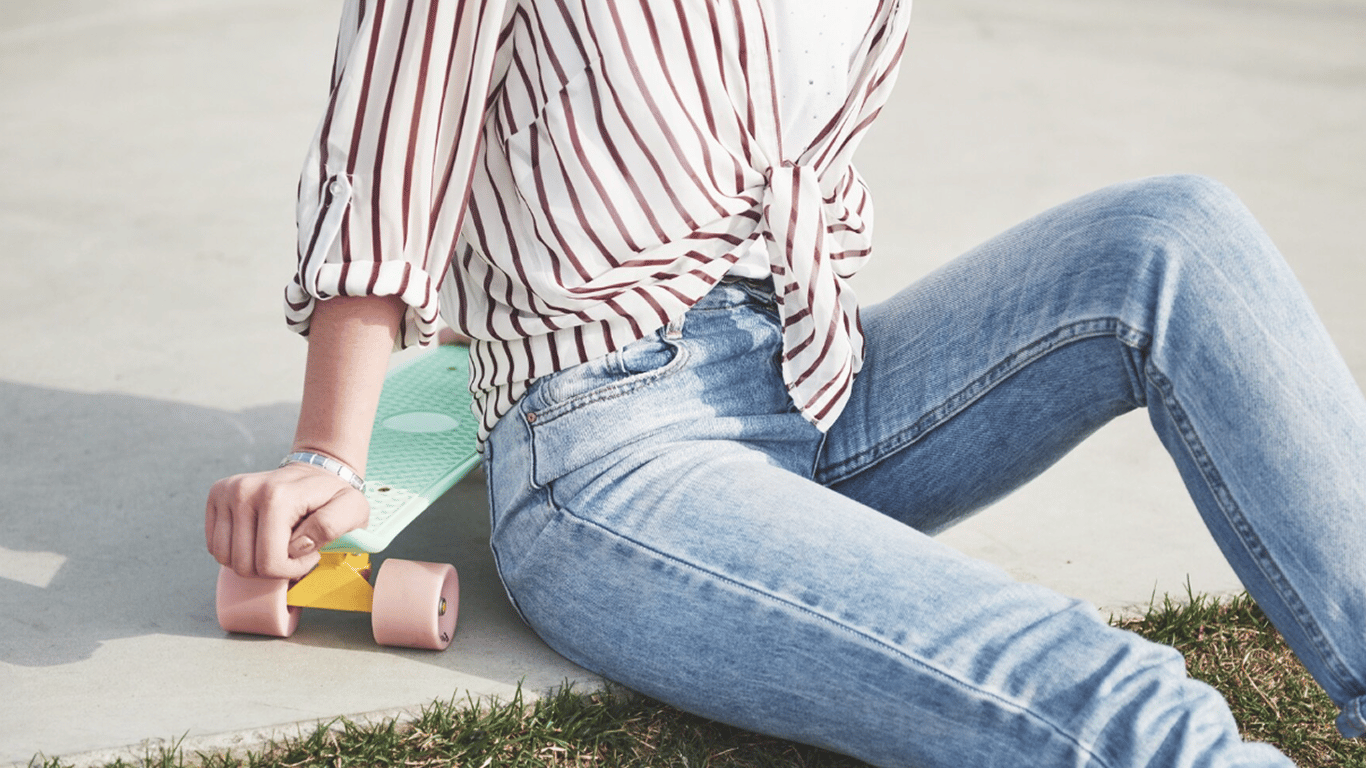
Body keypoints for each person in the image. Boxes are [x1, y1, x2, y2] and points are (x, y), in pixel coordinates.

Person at [205, 1, 1366, 766]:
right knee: (1104, 693)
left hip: (814, 368)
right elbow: (389, 151)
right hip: (614, 448)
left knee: (1174, 235)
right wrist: (328, 454)